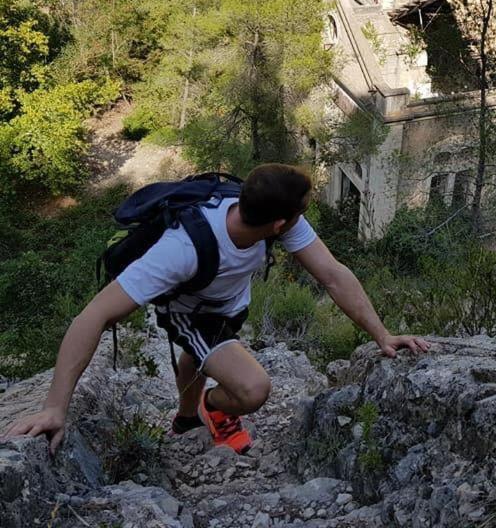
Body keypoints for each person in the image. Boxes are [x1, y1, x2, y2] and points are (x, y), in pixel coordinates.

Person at [2, 164, 430, 455]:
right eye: (301, 211)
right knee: (252, 389)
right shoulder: (181, 250)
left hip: (228, 301)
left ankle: (187, 417)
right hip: (190, 310)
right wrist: (55, 406)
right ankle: (214, 407)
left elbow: (333, 275)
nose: (303, 217)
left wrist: (382, 334)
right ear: (279, 224)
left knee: (200, 355)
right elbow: (92, 315)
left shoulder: (273, 220)